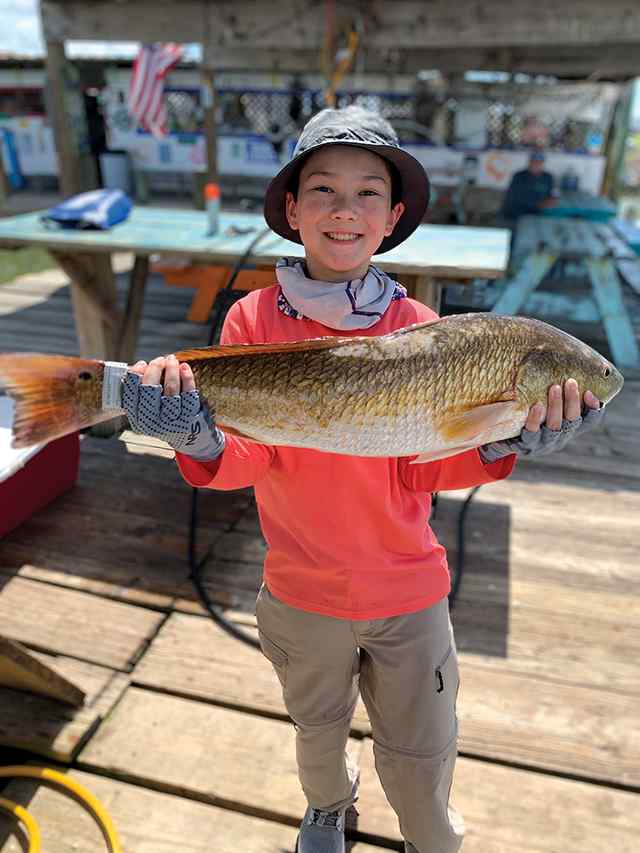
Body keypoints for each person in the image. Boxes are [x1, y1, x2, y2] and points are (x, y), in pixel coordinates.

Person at [121, 107, 604, 853]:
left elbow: (425, 465)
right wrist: (200, 436)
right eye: (323, 189)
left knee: (422, 744)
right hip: (298, 590)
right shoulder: (251, 319)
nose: (344, 210)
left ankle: (427, 830)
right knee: (316, 726)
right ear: (292, 208)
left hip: (408, 591)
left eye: (368, 193)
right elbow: (255, 457)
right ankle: (326, 806)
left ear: (394, 215)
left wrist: (506, 439)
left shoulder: (421, 325)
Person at [499, 150, 556, 228]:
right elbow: (514, 198)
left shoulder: (548, 177)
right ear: (529, 162)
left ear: (543, 163)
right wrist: (539, 204)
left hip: (536, 215)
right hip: (514, 216)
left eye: (539, 162)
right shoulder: (519, 176)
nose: (536, 164)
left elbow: (550, 194)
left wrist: (552, 200)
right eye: (533, 161)